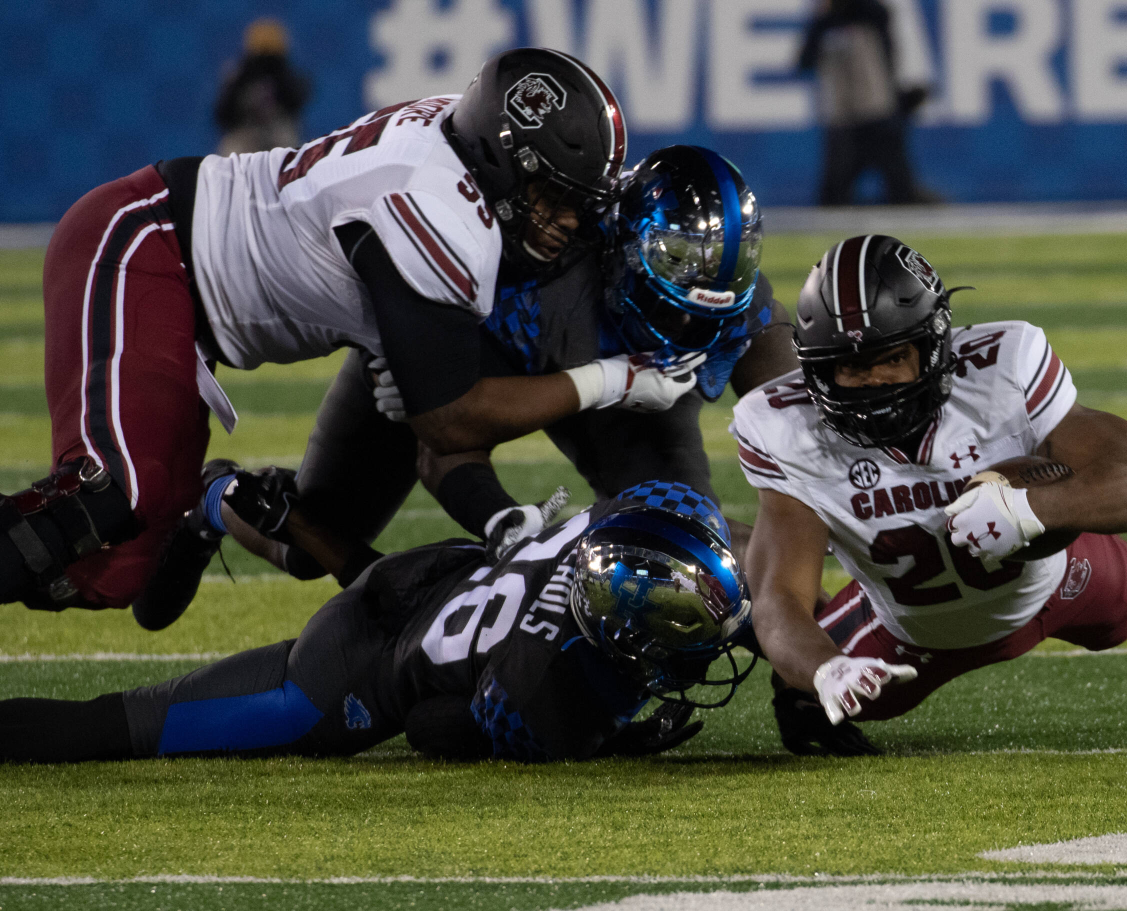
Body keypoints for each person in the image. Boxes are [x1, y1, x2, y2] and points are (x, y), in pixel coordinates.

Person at [0, 48, 700, 619]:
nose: (571, 221)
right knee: (110, 495)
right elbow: (450, 423)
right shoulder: (440, 208)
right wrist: (615, 380)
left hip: (191, 297)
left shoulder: (458, 163)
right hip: (147, 246)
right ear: (501, 162)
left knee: (114, 575)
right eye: (556, 197)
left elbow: (432, 408)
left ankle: (206, 504)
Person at [156, 146, 798, 626]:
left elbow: (801, 420)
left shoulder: (737, 307)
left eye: (706, 312)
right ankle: (217, 495)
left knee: (685, 540)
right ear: (622, 255)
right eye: (672, 304)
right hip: (479, 372)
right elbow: (447, 440)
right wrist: (498, 520)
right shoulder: (528, 270)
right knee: (312, 540)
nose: (685, 326)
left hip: (638, 396)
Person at [731, 235, 1127, 756]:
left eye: (891, 357)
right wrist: (827, 670)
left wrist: (1032, 510)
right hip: (908, 630)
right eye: (847, 366)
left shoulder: (1003, 368)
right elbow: (780, 599)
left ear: (934, 345)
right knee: (818, 692)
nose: (870, 381)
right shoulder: (782, 425)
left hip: (1060, 580)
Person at [0, 484, 754, 764]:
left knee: (391, 601)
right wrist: (610, 735)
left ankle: (251, 506)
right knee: (129, 727)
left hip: (423, 577)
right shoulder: (546, 695)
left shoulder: (634, 514)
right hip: (340, 679)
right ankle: (227, 508)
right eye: (667, 620)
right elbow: (431, 725)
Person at [798, 0, 927, 205]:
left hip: (878, 113)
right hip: (843, 120)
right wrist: (824, 19)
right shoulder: (824, 24)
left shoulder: (873, 14)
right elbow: (804, 61)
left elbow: (891, 58)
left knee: (900, 188)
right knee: (834, 194)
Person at [214, 18, 312, 155]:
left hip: (278, 132)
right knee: (234, 151)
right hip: (245, 132)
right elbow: (222, 115)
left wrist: (280, 78)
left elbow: (296, 103)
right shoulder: (238, 75)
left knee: (288, 147)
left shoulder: (287, 76)